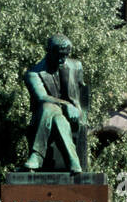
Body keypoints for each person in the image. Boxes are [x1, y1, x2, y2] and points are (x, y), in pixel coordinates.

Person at [23, 34, 88, 172]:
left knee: (54, 114)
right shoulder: (33, 73)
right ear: (49, 51)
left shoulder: (76, 66)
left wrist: (82, 114)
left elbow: (83, 93)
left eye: (65, 55)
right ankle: (73, 160)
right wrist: (66, 105)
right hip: (44, 117)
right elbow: (41, 97)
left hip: (73, 115)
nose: (62, 59)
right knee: (51, 111)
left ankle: (37, 156)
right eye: (59, 55)